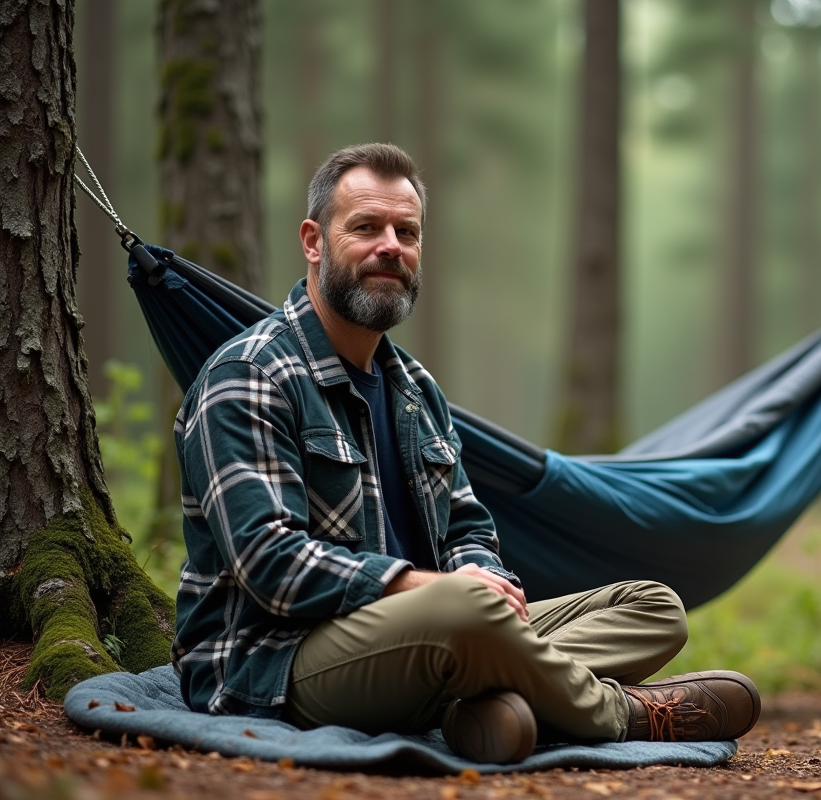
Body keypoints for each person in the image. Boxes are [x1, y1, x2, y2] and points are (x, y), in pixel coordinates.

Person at [171, 142, 760, 764]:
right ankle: (624, 714)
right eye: (366, 227)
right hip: (274, 662)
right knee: (464, 607)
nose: (390, 247)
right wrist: (433, 589)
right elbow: (269, 563)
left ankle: (474, 707)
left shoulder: (414, 389)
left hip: (440, 631)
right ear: (314, 241)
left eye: (407, 231)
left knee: (654, 606)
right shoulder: (249, 375)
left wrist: (486, 582)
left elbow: (468, 529)